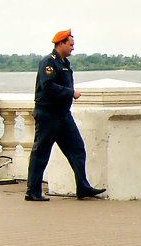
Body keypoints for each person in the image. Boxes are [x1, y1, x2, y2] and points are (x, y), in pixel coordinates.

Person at [26, 29, 105, 201]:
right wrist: (71, 93)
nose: (73, 48)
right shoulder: (49, 62)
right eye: (70, 44)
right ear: (60, 43)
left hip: (63, 115)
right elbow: (48, 86)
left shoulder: (65, 63)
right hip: (48, 114)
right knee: (41, 153)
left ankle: (83, 187)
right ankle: (32, 191)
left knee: (77, 148)